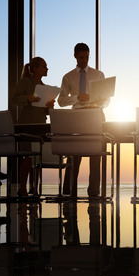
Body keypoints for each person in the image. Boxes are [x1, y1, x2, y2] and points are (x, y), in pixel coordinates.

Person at [57, 43, 109, 197]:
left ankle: (94, 192)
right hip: (77, 117)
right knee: (74, 155)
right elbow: (61, 101)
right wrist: (76, 98)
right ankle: (68, 192)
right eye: (81, 57)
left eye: (87, 57)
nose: (85, 60)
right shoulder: (68, 77)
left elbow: (107, 101)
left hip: (96, 115)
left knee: (95, 155)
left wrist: (101, 101)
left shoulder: (99, 75)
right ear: (75, 56)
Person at [12, 56, 55, 196]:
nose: (47, 68)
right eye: (44, 66)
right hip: (27, 124)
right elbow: (15, 99)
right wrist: (28, 98)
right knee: (28, 157)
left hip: (40, 124)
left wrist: (50, 106)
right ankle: (22, 188)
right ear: (35, 69)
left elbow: (46, 111)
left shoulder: (44, 87)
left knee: (37, 157)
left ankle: (34, 188)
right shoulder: (25, 82)